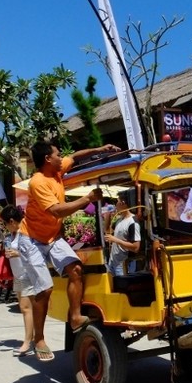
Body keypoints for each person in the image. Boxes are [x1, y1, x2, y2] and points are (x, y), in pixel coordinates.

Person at [18, 140, 121, 362]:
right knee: (44, 289)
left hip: (53, 237)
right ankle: (39, 339)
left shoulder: (57, 169)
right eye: (57, 154)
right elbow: (56, 211)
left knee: (75, 268)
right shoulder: (38, 182)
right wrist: (87, 200)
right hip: (31, 239)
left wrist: (100, 149)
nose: (61, 157)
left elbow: (75, 156)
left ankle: (75, 317)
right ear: (48, 159)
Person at [0, 205, 35, 357]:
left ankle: (28, 343)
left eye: (5, 223)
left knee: (26, 308)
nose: (4, 226)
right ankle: (32, 340)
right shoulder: (11, 235)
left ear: (12, 221)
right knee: (24, 308)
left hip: (28, 274)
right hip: (18, 275)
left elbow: (35, 253)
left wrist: (18, 253)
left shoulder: (26, 233)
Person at [104, 192, 141, 276]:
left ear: (122, 203)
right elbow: (107, 230)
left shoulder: (133, 222)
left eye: (117, 201)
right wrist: (108, 214)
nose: (115, 205)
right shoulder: (120, 220)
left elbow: (136, 247)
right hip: (113, 263)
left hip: (123, 265)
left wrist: (115, 240)